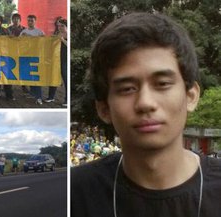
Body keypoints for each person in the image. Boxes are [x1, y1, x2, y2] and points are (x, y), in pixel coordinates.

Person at [71, 13, 221, 217]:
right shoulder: (74, 194)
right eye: (127, 88)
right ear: (104, 108)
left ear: (191, 96)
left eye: (162, 84)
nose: (145, 103)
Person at [20, 14, 45, 105]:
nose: (30, 22)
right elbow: (18, 43)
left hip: (36, 57)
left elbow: (44, 42)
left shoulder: (39, 32)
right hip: (26, 56)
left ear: (35, 21)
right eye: (28, 20)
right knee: (29, 76)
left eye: (32, 20)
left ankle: (39, 97)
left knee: (36, 77)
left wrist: (29, 37)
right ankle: (33, 93)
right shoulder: (23, 31)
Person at [45, 18, 67, 106]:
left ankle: (67, 100)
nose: (60, 27)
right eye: (58, 26)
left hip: (64, 60)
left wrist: (62, 39)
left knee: (66, 79)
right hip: (56, 59)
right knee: (53, 76)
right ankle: (51, 97)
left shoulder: (68, 34)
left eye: (62, 26)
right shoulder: (57, 33)